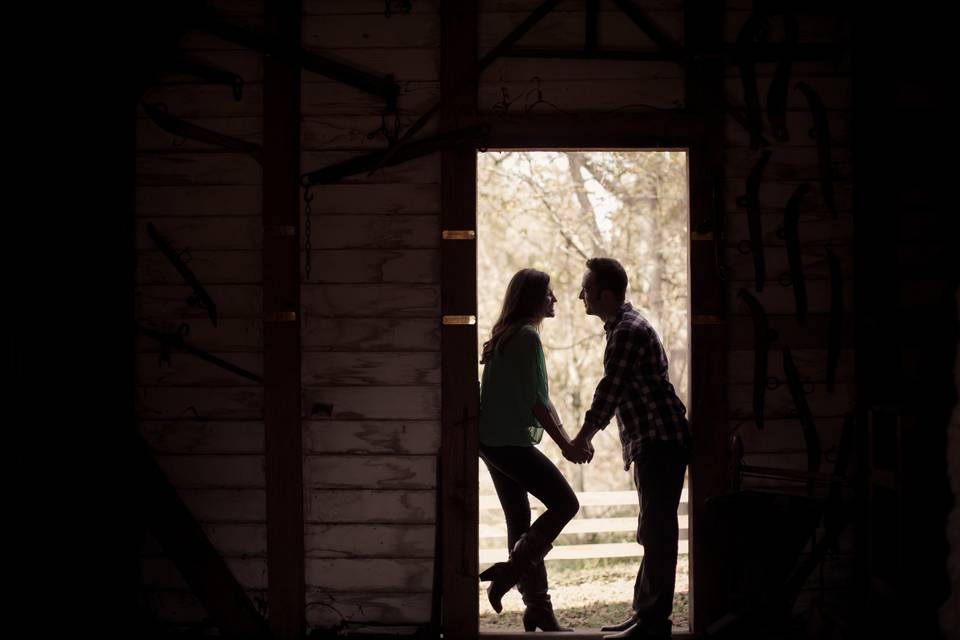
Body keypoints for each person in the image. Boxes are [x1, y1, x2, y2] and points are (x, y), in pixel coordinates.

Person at [571, 258, 692, 640]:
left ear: (606, 294)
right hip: (653, 441)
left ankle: (653, 623)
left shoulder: (626, 330)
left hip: (660, 441)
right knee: (651, 529)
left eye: (587, 290)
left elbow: (611, 389)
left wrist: (584, 435)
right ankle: (645, 615)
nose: (580, 296)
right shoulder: (624, 326)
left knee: (657, 531)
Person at [477, 268, 591, 632]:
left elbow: (539, 399)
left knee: (520, 522)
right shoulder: (526, 337)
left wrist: (568, 441)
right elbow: (538, 403)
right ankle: (510, 573)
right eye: (549, 294)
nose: (554, 299)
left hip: (491, 443)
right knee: (565, 504)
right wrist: (567, 446)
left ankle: (537, 608)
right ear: (531, 300)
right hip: (507, 443)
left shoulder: (504, 336)